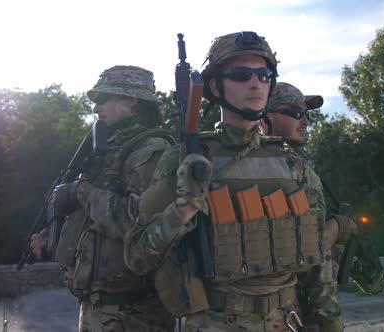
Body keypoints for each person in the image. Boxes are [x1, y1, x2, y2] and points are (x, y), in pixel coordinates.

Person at [124, 31, 339, 331]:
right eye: (240, 74)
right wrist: (183, 211)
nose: (255, 83)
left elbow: (318, 262)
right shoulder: (184, 158)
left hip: (286, 320)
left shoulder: (293, 164)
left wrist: (330, 324)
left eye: (263, 75)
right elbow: (137, 256)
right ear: (214, 85)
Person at [30, 65, 176, 332]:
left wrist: (80, 191)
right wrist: (53, 234)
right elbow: (94, 220)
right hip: (101, 307)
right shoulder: (111, 150)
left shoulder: (152, 151)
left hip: (134, 313)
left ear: (131, 100)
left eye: (103, 99)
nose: (96, 109)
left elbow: (136, 221)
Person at [260, 82, 360, 331]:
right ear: (265, 116)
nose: (305, 121)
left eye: (307, 114)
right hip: (291, 310)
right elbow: (312, 255)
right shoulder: (294, 168)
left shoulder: (238, 162)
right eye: (295, 113)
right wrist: (336, 228)